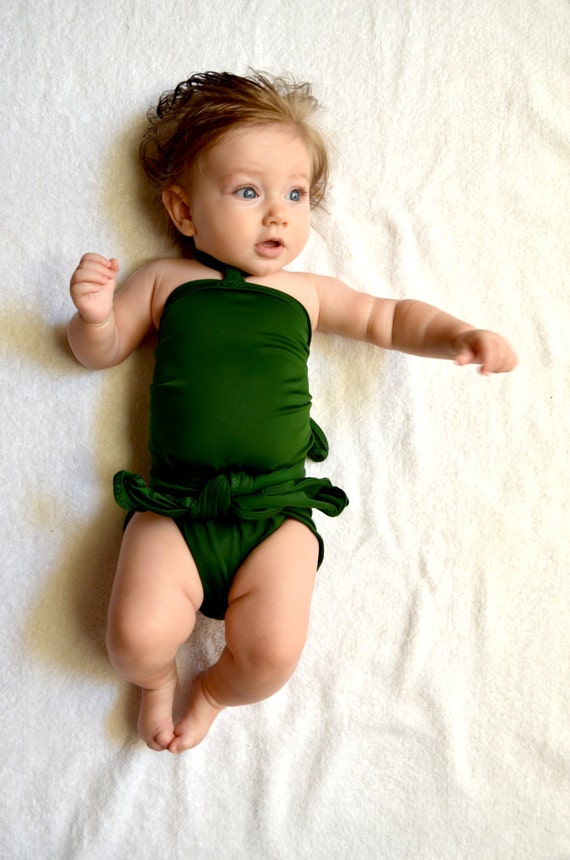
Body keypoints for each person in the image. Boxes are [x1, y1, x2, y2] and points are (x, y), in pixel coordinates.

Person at [68, 71, 517, 754]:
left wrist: (457, 334)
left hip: (278, 511)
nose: (278, 212)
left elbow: (389, 318)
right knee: (132, 639)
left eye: (296, 194)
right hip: (178, 506)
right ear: (184, 213)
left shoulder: (304, 292)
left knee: (271, 657)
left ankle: (214, 690)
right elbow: (97, 352)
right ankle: (156, 683)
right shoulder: (164, 281)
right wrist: (95, 315)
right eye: (248, 192)